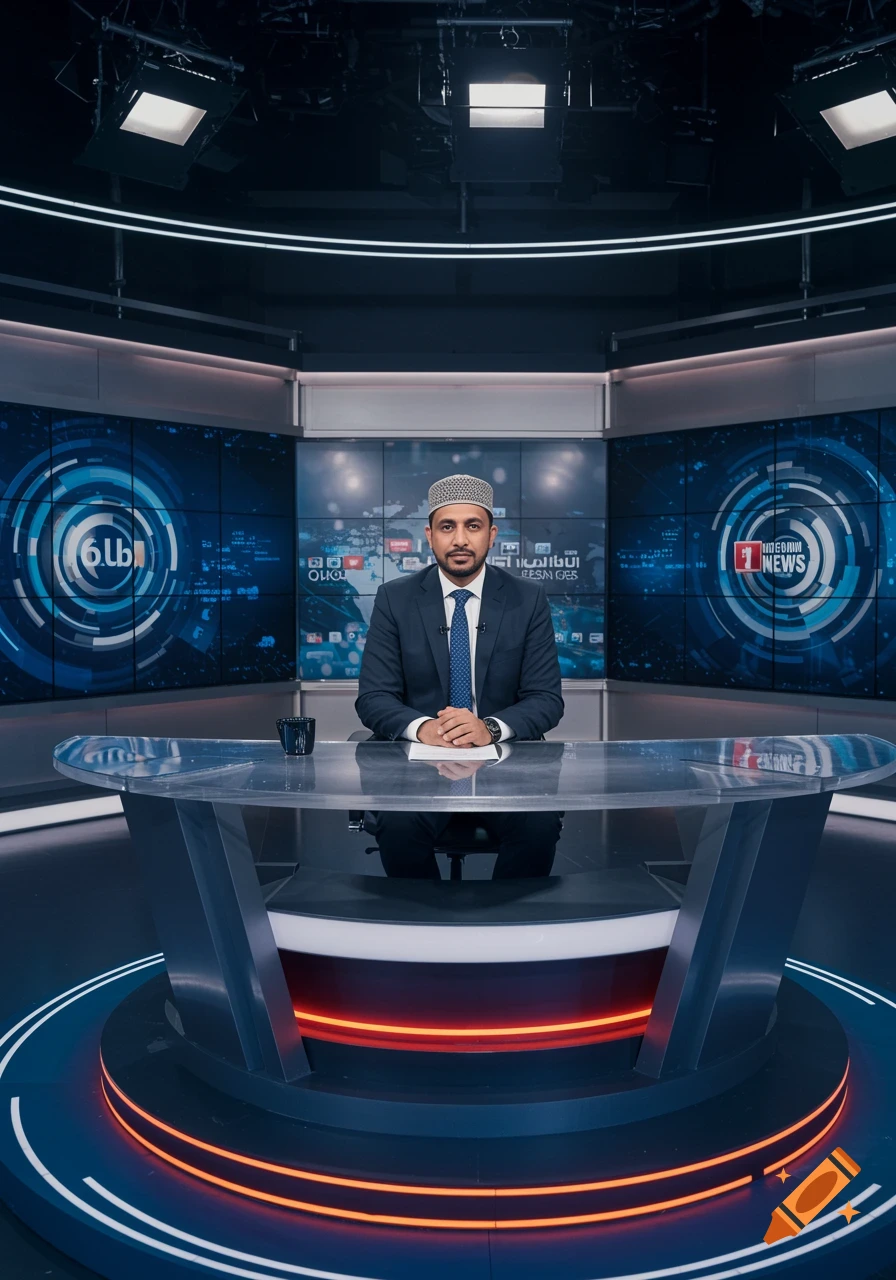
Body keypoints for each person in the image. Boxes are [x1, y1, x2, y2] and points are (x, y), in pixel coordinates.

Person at [356, 473, 564, 879]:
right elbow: (374, 697)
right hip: (418, 767)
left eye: (473, 526)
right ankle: (424, 927)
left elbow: (546, 699)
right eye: (448, 527)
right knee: (397, 826)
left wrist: (487, 727)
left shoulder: (527, 599)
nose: (460, 540)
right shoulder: (394, 598)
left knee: (538, 826)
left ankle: (508, 928)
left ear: (492, 534)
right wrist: (425, 728)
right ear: (429, 535)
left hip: (506, 763)